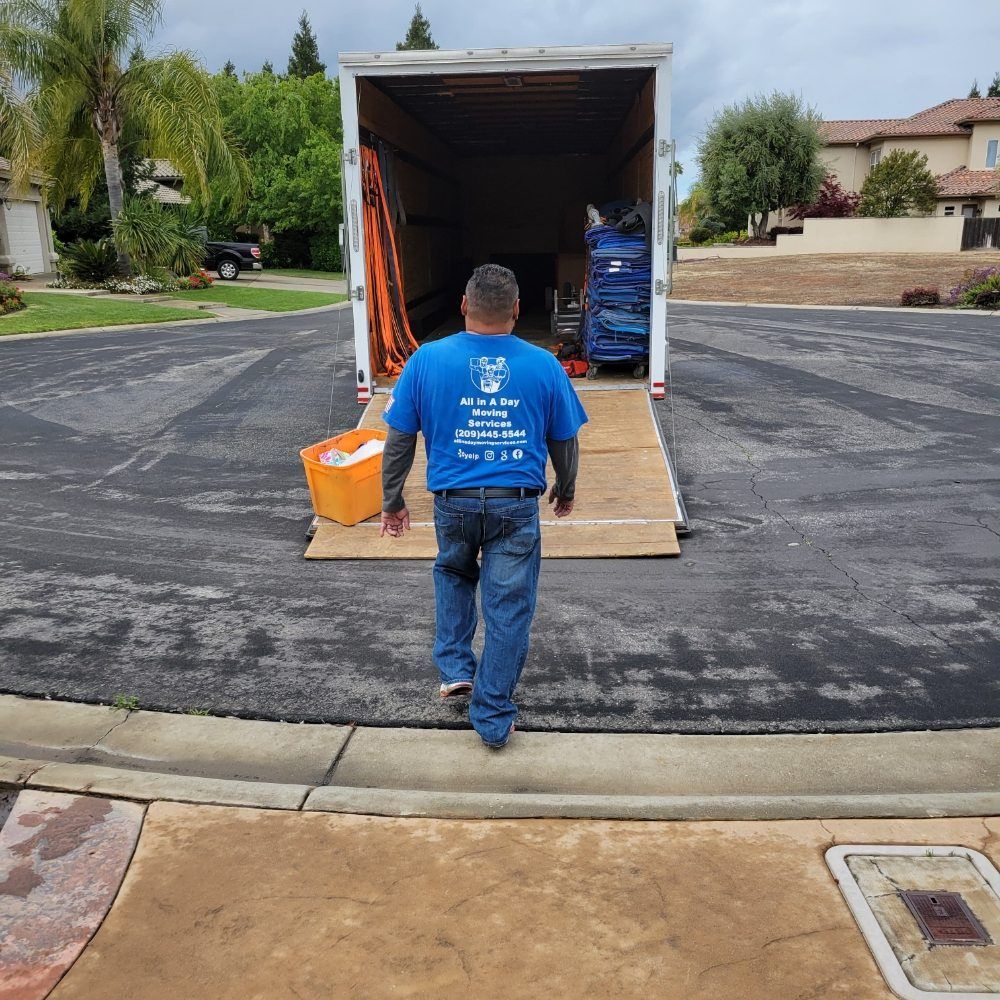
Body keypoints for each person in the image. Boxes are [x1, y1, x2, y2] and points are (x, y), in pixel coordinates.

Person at [379, 264, 588, 748]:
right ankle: (492, 715)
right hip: (515, 507)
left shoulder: (426, 360)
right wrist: (567, 486)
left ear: (463, 306)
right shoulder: (543, 365)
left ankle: (455, 668)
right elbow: (564, 438)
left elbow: (398, 440)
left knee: (453, 573)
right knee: (508, 609)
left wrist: (391, 501)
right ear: (517, 309)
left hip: (453, 503)